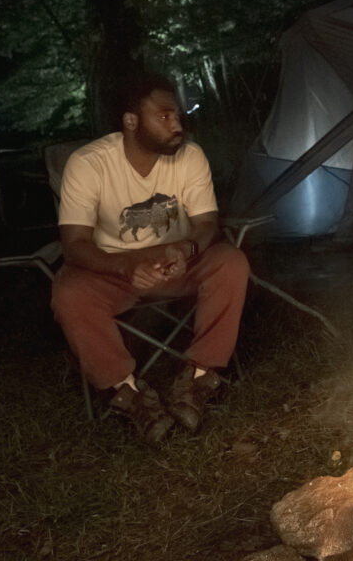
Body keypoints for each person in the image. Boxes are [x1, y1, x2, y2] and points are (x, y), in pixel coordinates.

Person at [51, 75, 250, 444]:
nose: (177, 124)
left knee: (231, 263)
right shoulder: (89, 164)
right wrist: (126, 266)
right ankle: (128, 394)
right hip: (116, 269)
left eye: (177, 115)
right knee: (69, 292)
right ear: (131, 121)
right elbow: (74, 244)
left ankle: (199, 378)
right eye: (164, 116)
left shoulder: (190, 156)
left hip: (179, 260)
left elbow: (207, 224)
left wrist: (186, 250)